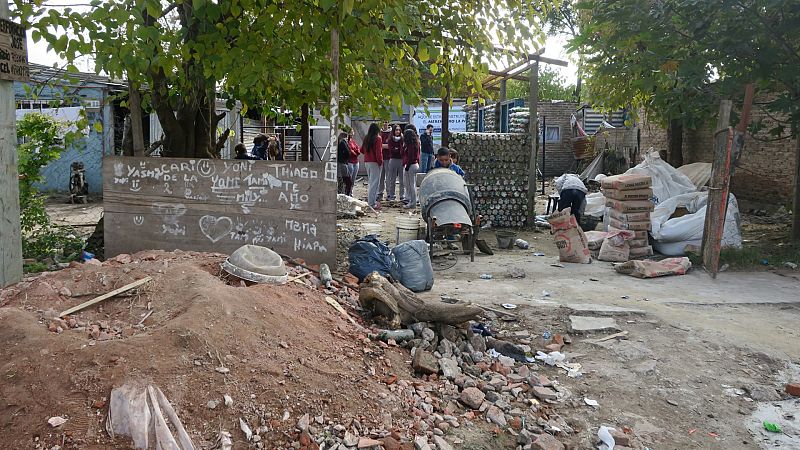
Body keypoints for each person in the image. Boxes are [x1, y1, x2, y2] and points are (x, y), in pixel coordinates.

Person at [362, 123, 383, 208]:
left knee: (371, 182)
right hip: (375, 162)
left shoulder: (366, 137)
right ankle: (372, 203)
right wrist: (380, 162)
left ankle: (371, 201)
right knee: (375, 183)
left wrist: (368, 154)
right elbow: (379, 152)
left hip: (367, 162)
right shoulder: (378, 138)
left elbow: (361, 150)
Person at [386, 124, 405, 201]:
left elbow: (402, 150)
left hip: (401, 160)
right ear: (393, 131)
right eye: (396, 130)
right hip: (393, 159)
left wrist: (398, 149)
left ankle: (402, 195)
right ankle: (391, 195)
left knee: (402, 179)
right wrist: (397, 150)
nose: (397, 131)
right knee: (392, 179)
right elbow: (392, 150)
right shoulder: (390, 139)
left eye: (399, 130)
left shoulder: (402, 139)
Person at [402, 128, 420, 209]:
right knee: (412, 185)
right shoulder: (415, 144)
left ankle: (412, 203)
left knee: (411, 185)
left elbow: (410, 157)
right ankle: (413, 200)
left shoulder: (410, 145)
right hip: (414, 165)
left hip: (411, 165)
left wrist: (407, 167)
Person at [378, 121, 392, 201]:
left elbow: (391, 145)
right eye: (383, 122)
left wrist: (382, 146)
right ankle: (380, 193)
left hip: (388, 157)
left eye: (386, 122)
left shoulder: (391, 133)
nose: (384, 123)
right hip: (380, 157)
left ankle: (389, 194)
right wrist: (384, 146)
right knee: (381, 177)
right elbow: (377, 145)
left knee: (388, 177)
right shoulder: (379, 132)